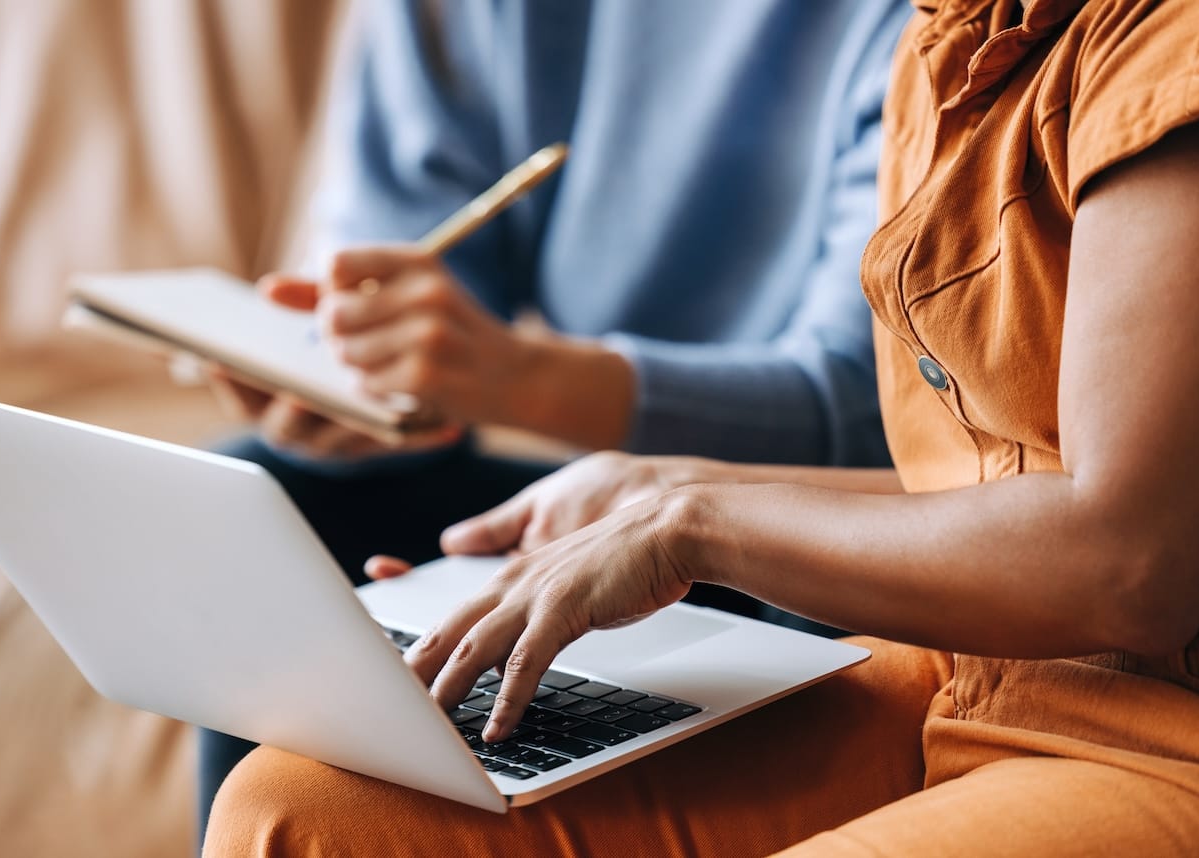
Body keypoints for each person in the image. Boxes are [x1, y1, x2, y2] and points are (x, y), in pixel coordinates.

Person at [200, 0, 1199, 854]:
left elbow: (1132, 563)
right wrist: (652, 493)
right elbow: (985, 476)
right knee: (303, 810)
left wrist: (698, 523)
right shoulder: (957, 38)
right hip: (959, 671)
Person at [195, 0, 913, 833]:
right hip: (612, 485)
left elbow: (875, 409)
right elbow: (400, 268)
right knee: (275, 498)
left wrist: (518, 380)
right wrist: (359, 385)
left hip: (818, 524)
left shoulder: (925, 24)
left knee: (830, 604)